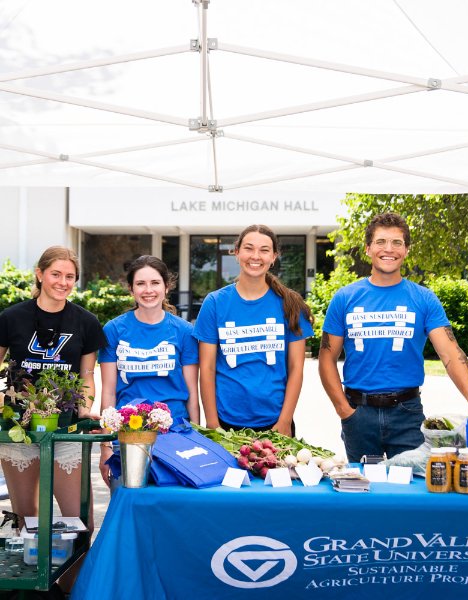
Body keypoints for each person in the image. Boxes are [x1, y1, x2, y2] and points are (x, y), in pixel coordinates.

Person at [318, 212, 468, 462]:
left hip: (407, 413)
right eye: (380, 242)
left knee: (410, 492)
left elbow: (450, 353)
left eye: (397, 243)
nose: (388, 249)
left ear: (406, 250)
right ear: (368, 248)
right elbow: (327, 358)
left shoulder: (424, 299)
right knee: (362, 491)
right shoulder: (345, 298)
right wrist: (344, 410)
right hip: (358, 412)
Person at [0, 245, 106, 593]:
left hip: (66, 433)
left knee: (81, 521)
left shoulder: (86, 322)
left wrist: (86, 405)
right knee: (26, 518)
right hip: (19, 433)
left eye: (70, 277)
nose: (63, 282)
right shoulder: (12, 318)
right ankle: (30, 589)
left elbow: (87, 375)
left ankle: (68, 588)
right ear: (40, 274)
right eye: (56, 274)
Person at [194, 224, 314, 437]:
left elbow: (296, 368)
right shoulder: (215, 303)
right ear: (237, 251)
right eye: (249, 248)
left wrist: (285, 421)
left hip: (277, 422)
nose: (255, 256)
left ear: (274, 256)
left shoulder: (291, 304)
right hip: (225, 424)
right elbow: (208, 368)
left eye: (264, 250)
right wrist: (212, 424)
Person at [98, 256, 199, 486]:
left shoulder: (184, 331)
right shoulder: (113, 329)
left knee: (171, 509)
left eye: (155, 283)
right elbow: (108, 394)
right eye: (141, 283)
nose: (148, 290)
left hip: (175, 435)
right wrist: (105, 446)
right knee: (130, 505)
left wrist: (197, 435)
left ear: (166, 287)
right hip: (126, 435)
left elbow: (192, 393)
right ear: (131, 289)